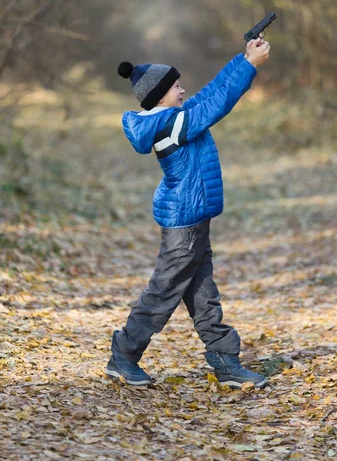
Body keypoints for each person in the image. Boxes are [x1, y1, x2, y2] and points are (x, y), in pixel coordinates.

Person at [106, 36, 270, 388]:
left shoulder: (174, 116)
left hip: (193, 217)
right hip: (185, 220)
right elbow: (216, 106)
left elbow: (211, 93)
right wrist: (250, 66)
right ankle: (124, 354)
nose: (182, 90)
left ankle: (226, 360)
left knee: (202, 292)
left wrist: (242, 59)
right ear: (159, 96)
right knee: (164, 290)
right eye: (176, 86)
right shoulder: (169, 124)